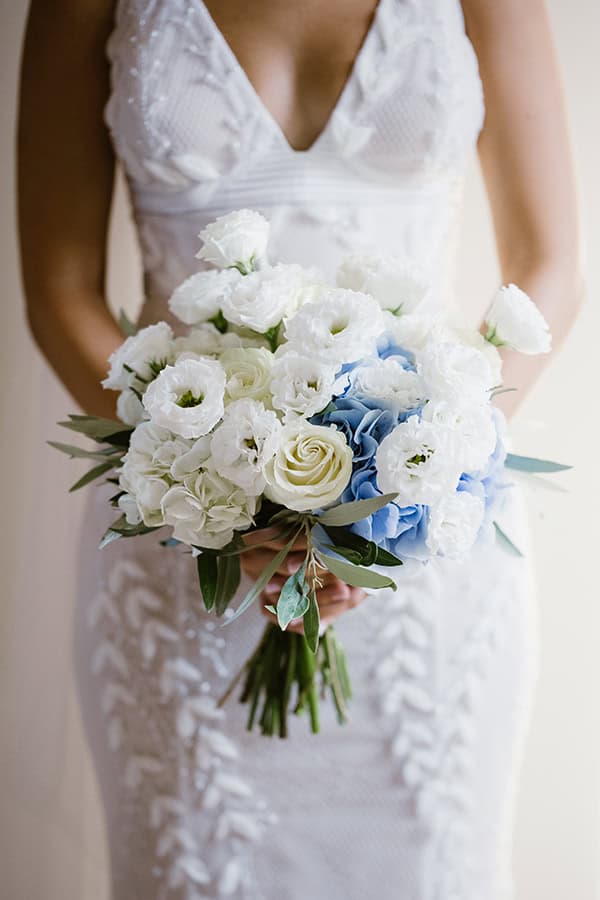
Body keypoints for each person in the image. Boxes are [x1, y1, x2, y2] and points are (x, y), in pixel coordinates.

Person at [17, 1, 581, 898]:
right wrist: (209, 487)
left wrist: (430, 452)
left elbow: (549, 264)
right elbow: (59, 291)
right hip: (183, 535)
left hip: (424, 538)